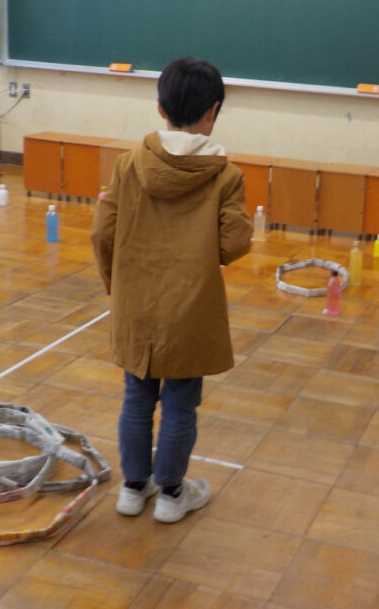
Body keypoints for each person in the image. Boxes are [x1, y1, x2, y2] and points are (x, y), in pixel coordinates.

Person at [91, 57, 252, 523]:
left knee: (136, 396)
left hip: (135, 304)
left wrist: (117, 286)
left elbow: (102, 234)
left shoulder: (128, 165)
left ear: (160, 108)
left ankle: (133, 488)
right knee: (181, 404)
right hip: (190, 308)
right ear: (213, 111)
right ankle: (171, 494)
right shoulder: (226, 176)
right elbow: (233, 244)